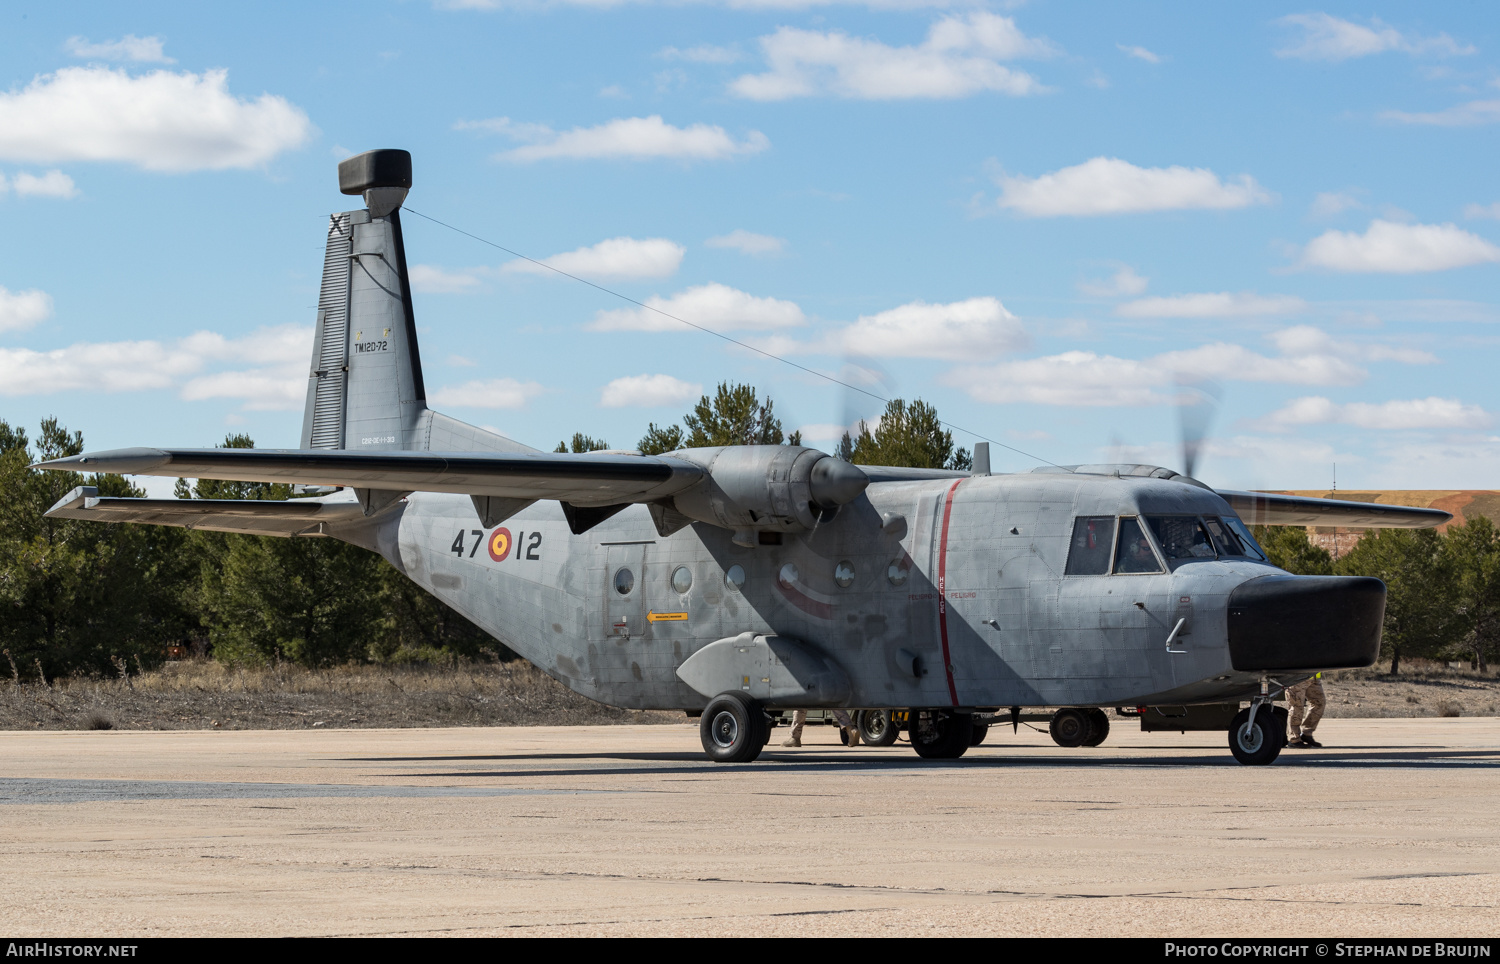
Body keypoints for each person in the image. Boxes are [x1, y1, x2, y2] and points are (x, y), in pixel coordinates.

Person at [781, 708, 860, 747]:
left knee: (800, 704)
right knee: (834, 705)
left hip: (813, 682)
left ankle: (795, 737)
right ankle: (850, 729)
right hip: (828, 683)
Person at [1285, 674, 1326, 748]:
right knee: (1296, 707)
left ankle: (1307, 733)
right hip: (1298, 677)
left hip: (1314, 676)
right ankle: (1294, 739)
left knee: (1319, 703)